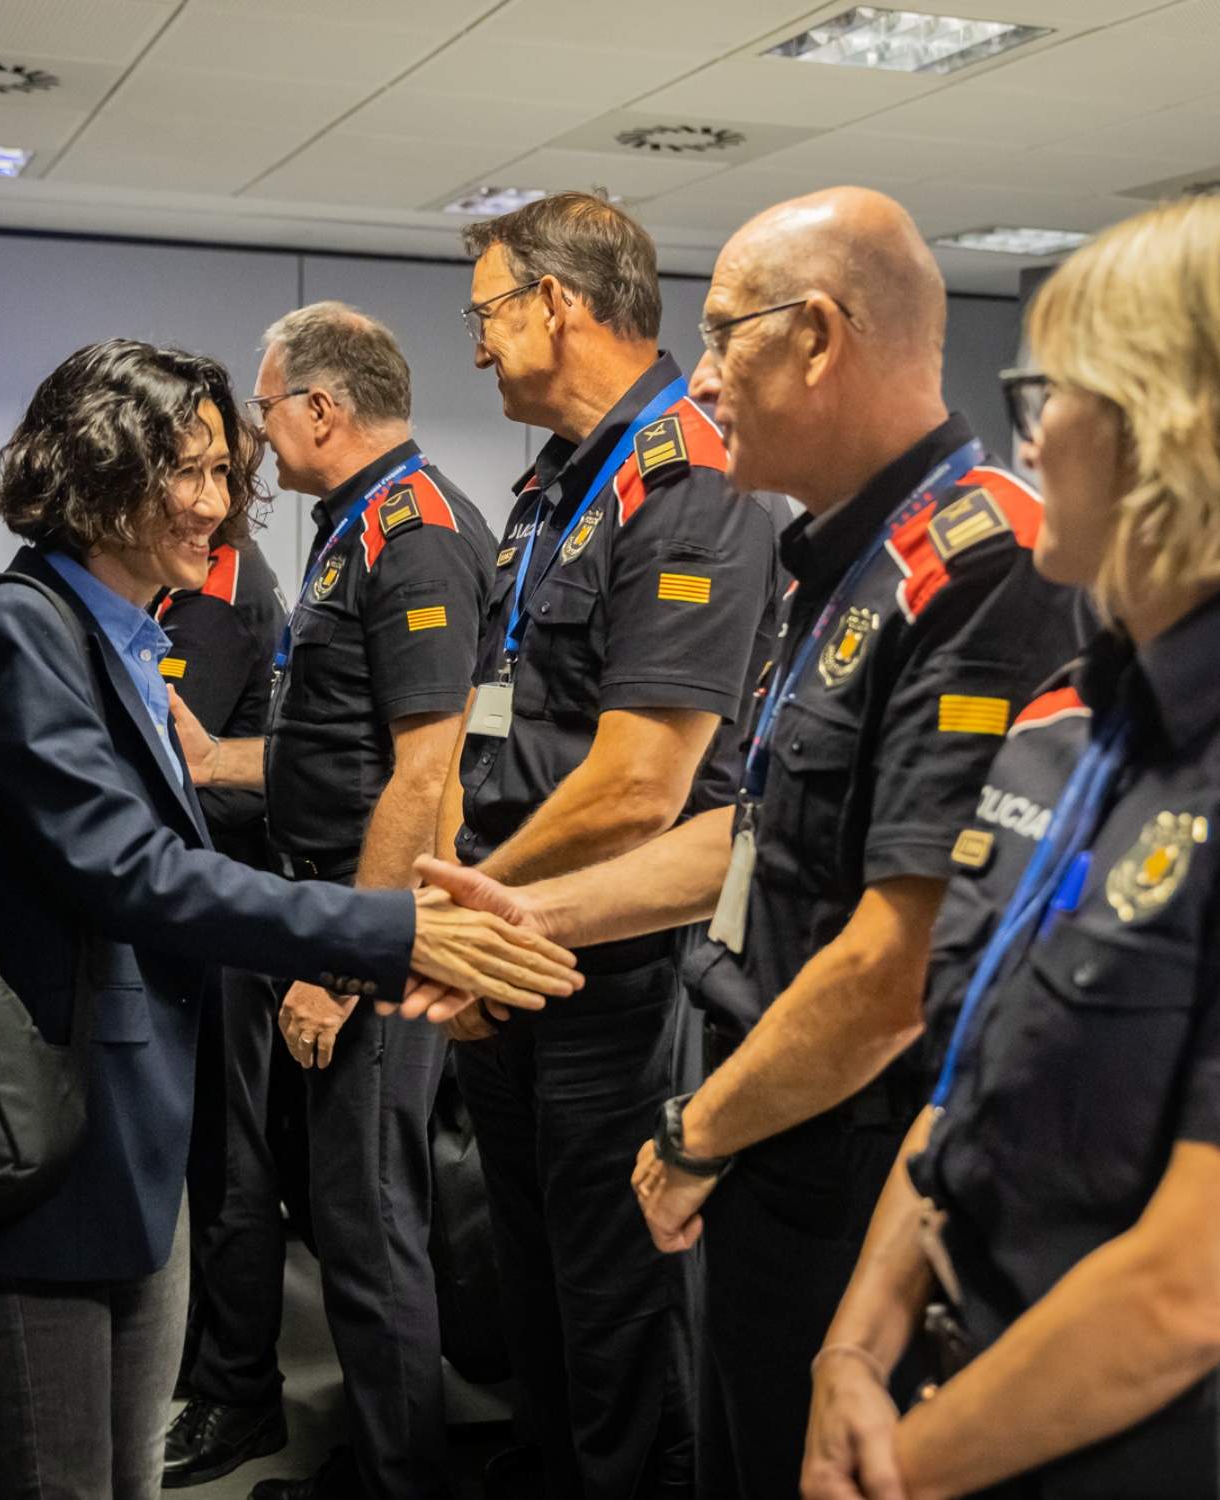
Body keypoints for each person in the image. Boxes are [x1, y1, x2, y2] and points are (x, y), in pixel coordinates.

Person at [758, 189, 1220, 1498]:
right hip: (980, 1398)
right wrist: (850, 1357)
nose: (1027, 439)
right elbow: (962, 1098)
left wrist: (900, 1473)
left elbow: (1198, 1283)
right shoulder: (1074, 725)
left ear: (1184, 426)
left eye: (1053, 393)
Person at [405, 188, 1089, 1497]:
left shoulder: (979, 562)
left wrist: (695, 1133)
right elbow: (744, 828)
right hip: (752, 1089)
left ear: (819, 338)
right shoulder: (825, 563)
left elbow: (895, 963)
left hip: (840, 1137)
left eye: (726, 335)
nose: (702, 373)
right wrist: (520, 920)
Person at [0, 337, 579, 1500]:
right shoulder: (21, 628)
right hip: (43, 1147)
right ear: (96, 468)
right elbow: (132, 872)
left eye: (226, 471)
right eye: (187, 469)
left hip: (119, 1136)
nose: (216, 505)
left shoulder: (119, 634)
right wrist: (385, 934)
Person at [438, 191, 780, 1499]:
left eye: (485, 315)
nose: (476, 349)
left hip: (611, 970)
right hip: (514, 948)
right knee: (523, 1285)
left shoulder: (686, 479)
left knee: (613, 1308)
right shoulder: (556, 484)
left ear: (554, 305)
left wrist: (468, 915)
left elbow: (641, 783)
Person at [169, 302, 496, 1500]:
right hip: (323, 906)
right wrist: (216, 761)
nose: (254, 437)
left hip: (368, 932)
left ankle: (399, 1478)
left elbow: (428, 772)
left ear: (319, 407)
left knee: (367, 1231)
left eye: (261, 411)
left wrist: (339, 965)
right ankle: (375, 1454)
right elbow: (336, 748)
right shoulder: (348, 525)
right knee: (342, 1213)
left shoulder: (412, 531)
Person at [155, 529, 302, 1488]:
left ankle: (242, 1390)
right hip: (212, 903)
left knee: (231, 1159)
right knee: (215, 1154)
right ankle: (212, 1361)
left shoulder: (218, 593)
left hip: (230, 903)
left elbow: (174, 761)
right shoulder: (191, 584)